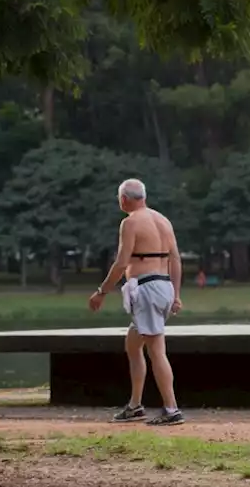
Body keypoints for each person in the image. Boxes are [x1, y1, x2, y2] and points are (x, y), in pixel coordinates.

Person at [88, 178, 185, 425]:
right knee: (133, 345)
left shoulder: (130, 222)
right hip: (163, 286)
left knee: (156, 350)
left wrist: (102, 291)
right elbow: (175, 260)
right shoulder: (163, 220)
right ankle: (135, 405)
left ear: (124, 199)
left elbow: (122, 263)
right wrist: (175, 294)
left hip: (148, 289)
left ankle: (171, 409)